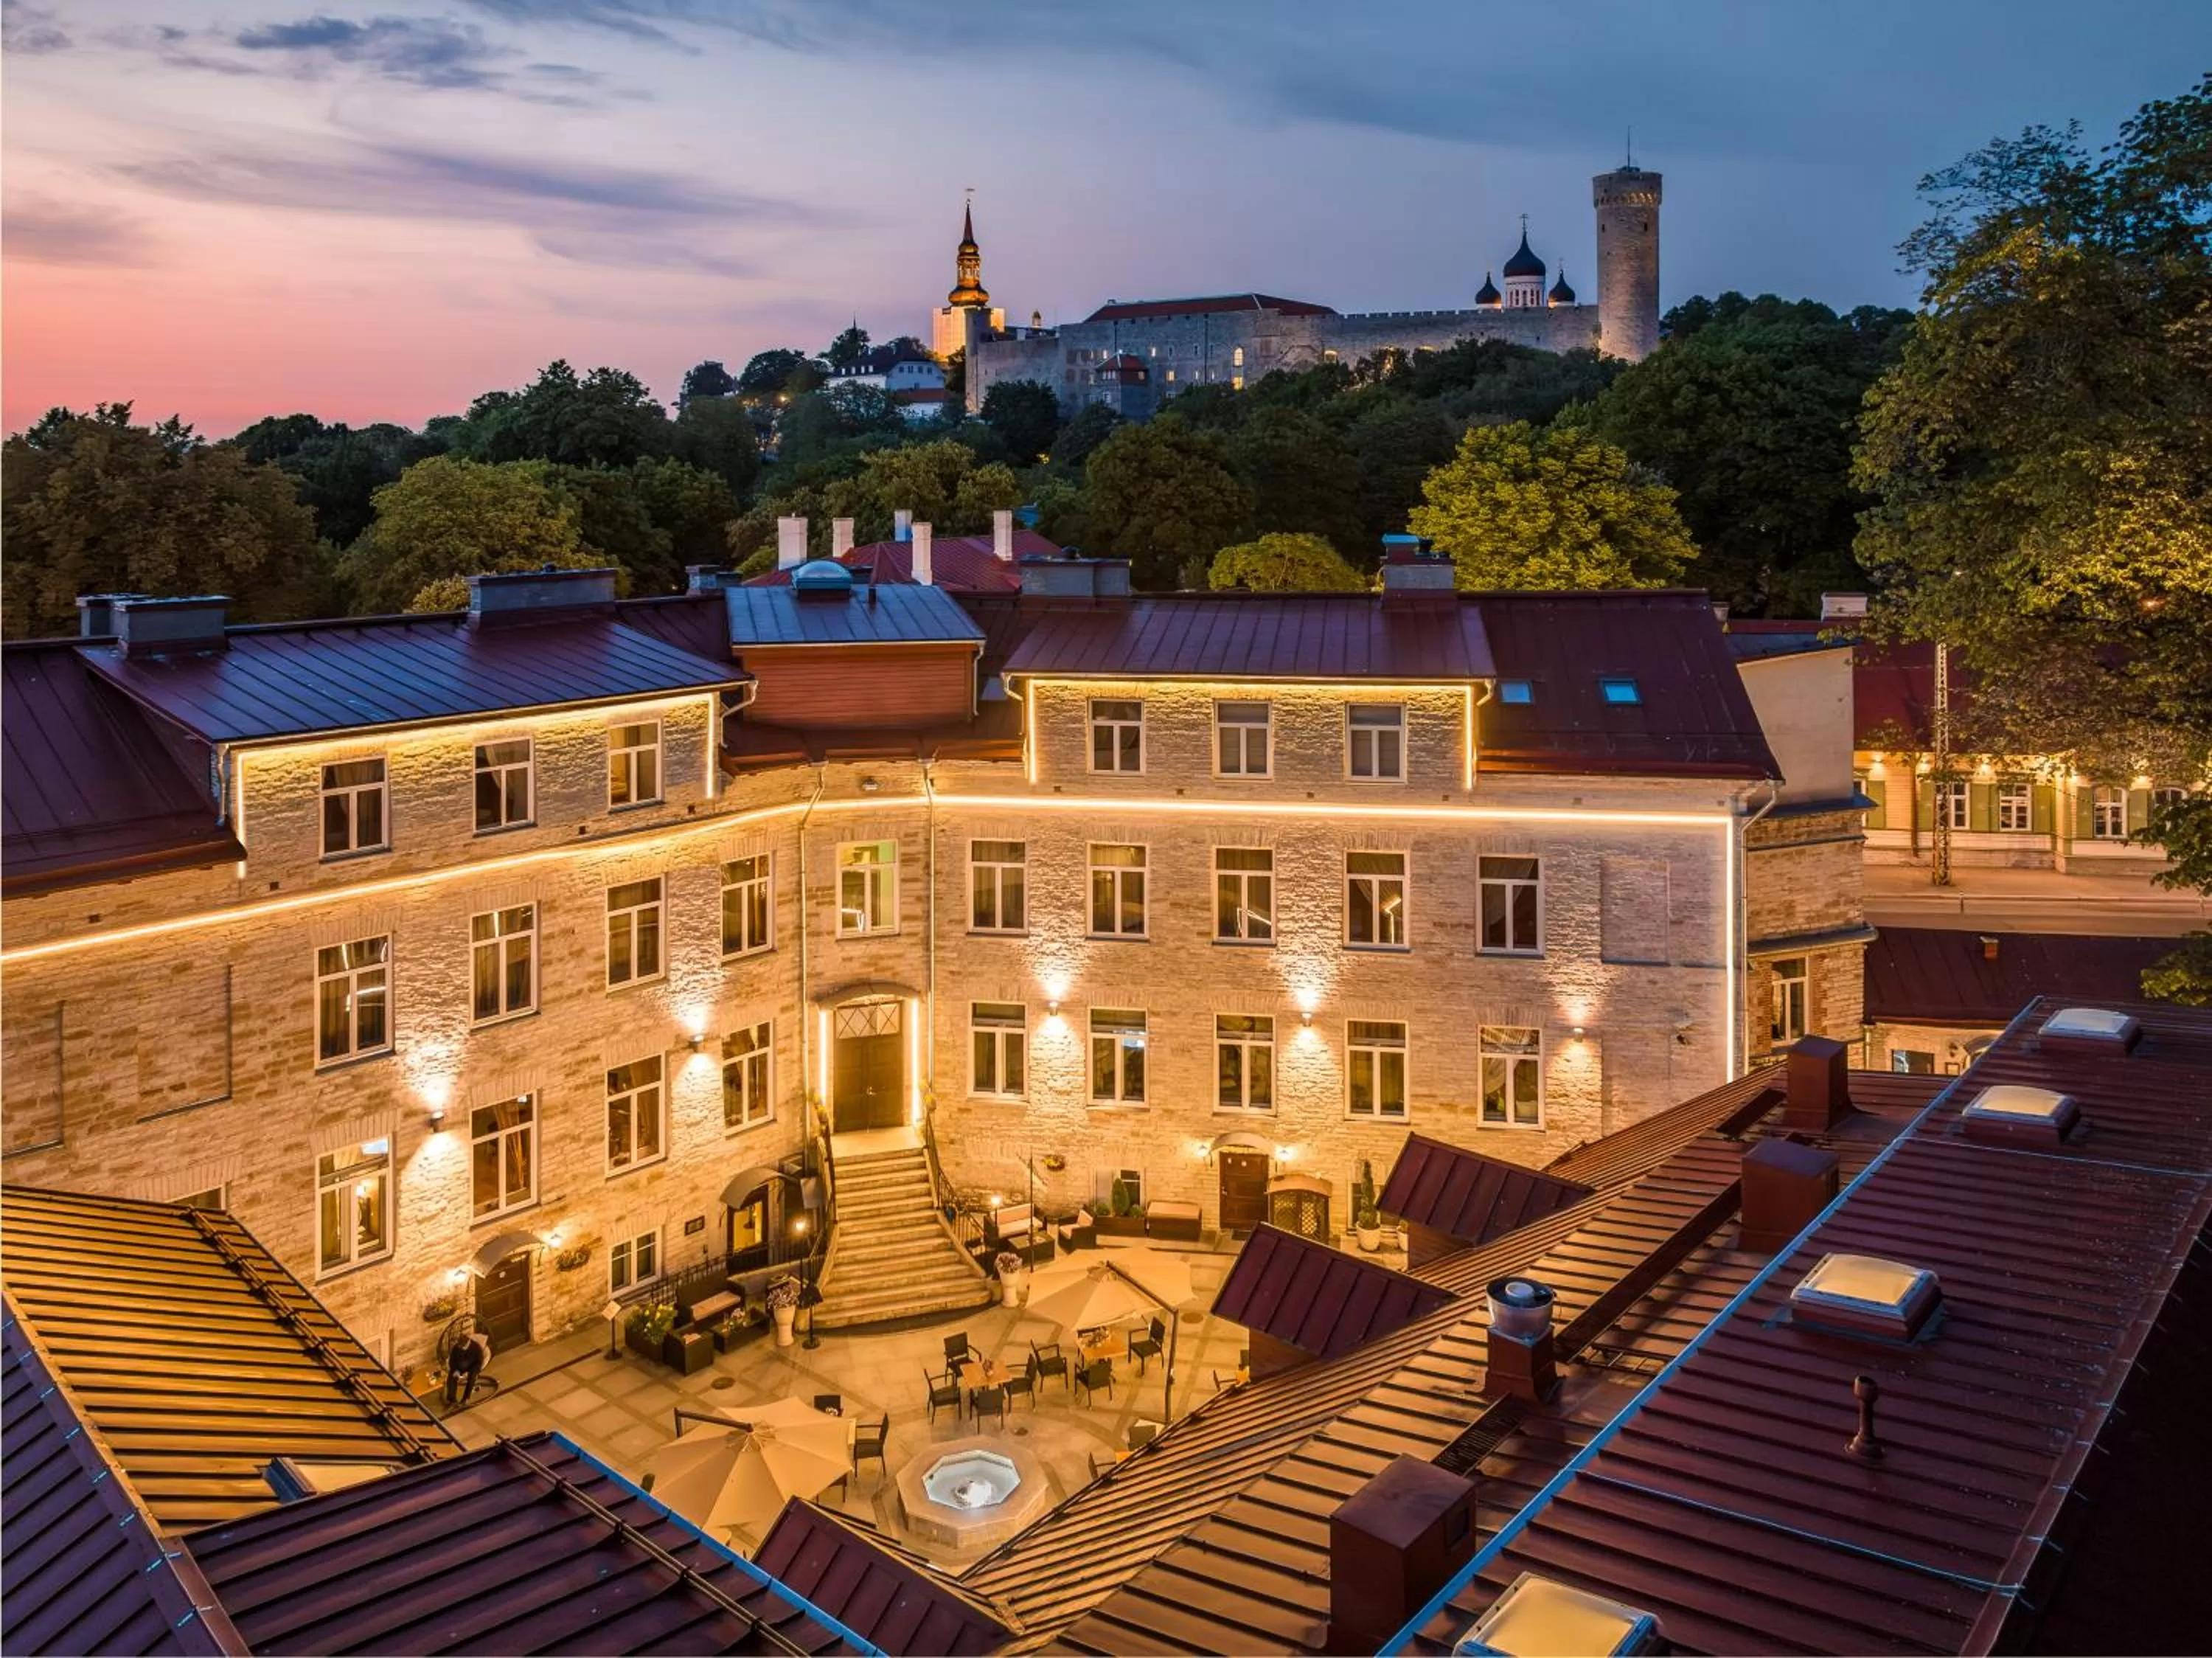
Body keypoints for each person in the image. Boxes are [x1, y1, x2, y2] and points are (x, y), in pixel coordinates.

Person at [444, 1331, 489, 1406]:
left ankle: (466, 1398)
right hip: (459, 1368)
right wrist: (455, 1370)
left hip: (472, 1368)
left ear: (468, 1343)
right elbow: (452, 1360)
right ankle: (452, 1399)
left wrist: (470, 1372)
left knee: (472, 1377)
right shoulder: (457, 1348)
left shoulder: (476, 1348)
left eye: (463, 1347)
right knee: (451, 1377)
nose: (461, 1349)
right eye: (460, 1347)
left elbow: (479, 1363)